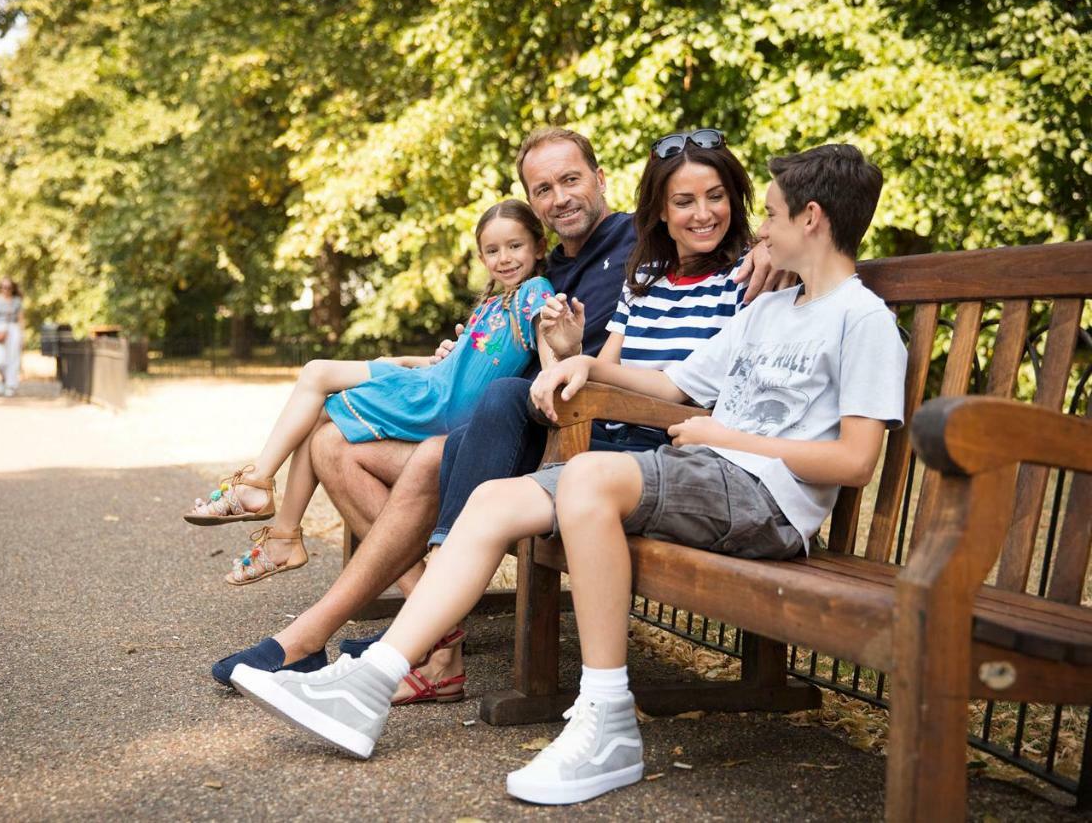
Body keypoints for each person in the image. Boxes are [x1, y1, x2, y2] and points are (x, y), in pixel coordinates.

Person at [230, 143, 908, 806]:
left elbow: (855, 460)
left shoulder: (860, 320)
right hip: (703, 471)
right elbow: (672, 380)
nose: (760, 226)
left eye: (771, 214)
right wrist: (586, 361)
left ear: (811, 219)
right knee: (494, 500)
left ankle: (608, 719)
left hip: (765, 501)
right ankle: (370, 684)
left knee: (588, 479)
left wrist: (721, 433)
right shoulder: (767, 310)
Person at [210, 127, 782, 698]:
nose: (559, 197)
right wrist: (468, 348)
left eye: (571, 180)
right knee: (332, 443)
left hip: (590, 440)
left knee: (438, 453)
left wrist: (768, 245)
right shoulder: (564, 268)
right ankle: (415, 633)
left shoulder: (641, 242)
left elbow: (721, 234)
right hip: (537, 426)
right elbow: (552, 348)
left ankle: (369, 635)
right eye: (543, 189)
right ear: (532, 204)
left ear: (602, 180)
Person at [185, 200, 557, 592]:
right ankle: (279, 528)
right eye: (493, 250)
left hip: (438, 403)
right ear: (481, 257)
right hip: (431, 384)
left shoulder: (535, 291)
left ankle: (265, 499)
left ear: (538, 246)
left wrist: (553, 373)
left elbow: (548, 338)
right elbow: (453, 364)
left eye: (515, 246)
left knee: (317, 382)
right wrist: (403, 360)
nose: (505, 258)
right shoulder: (494, 303)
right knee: (317, 401)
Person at [0, 277, 25, 396]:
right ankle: (3, 379)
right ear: (0, 288)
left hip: (13, 328)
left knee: (13, 358)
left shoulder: (17, 301)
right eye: (3, 287)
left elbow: (21, 318)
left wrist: (22, 335)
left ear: (12, 288)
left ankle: (10, 385)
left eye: (8, 287)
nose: (6, 290)